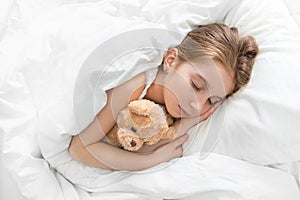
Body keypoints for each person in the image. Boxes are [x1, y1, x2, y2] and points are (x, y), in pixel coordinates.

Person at [68, 23, 259, 171]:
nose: (196, 105)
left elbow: (137, 147)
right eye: (196, 85)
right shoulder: (134, 84)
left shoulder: (174, 109)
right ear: (171, 60)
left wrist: (184, 125)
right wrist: (153, 161)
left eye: (212, 100)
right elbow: (80, 149)